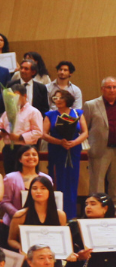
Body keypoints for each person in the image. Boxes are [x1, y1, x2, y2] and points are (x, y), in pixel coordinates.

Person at [43, 89, 87, 219]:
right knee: (58, 180)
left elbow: (85, 132)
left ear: (67, 99)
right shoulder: (50, 114)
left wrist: (74, 142)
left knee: (72, 182)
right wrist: (59, 142)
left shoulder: (77, 113)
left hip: (73, 149)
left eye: (60, 98)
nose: (58, 100)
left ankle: (71, 216)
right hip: (57, 149)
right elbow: (44, 134)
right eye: (55, 98)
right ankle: (56, 215)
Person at [84, 77, 116, 195]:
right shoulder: (91, 105)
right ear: (102, 89)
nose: (112, 90)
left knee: (115, 183)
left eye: (114, 87)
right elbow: (84, 129)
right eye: (109, 87)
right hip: (99, 150)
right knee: (97, 183)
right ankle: (97, 209)